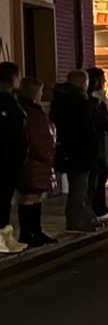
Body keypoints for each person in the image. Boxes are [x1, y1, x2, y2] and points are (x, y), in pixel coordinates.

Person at [50, 69, 99, 232]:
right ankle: (76, 220)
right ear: (83, 83)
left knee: (79, 187)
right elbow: (85, 125)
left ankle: (83, 217)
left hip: (74, 150)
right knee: (79, 187)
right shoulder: (78, 101)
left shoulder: (62, 99)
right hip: (79, 150)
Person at [16, 77, 57, 246]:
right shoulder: (29, 112)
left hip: (40, 160)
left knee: (37, 196)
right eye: (40, 91)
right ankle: (28, 233)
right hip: (34, 160)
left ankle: (36, 231)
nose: (42, 94)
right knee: (29, 196)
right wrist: (45, 154)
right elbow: (33, 138)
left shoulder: (33, 110)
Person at [0, 62, 27, 254]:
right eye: (18, 76)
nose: (20, 79)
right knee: (1, 198)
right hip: (4, 158)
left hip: (11, 158)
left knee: (5, 198)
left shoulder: (12, 100)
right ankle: (2, 238)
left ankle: (6, 237)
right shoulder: (5, 102)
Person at [86, 68, 108, 222]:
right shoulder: (94, 101)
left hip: (103, 141)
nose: (105, 82)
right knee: (98, 176)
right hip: (99, 143)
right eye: (103, 80)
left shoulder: (98, 100)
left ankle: (99, 207)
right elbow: (102, 121)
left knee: (100, 176)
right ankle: (98, 209)